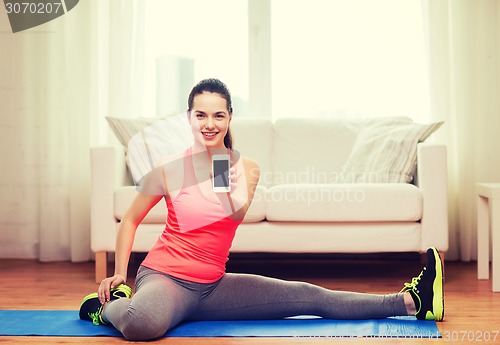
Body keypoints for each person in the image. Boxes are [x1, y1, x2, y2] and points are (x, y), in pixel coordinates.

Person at [79, 78, 444, 341]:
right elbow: (130, 219)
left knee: (309, 296)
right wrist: (120, 274)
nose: (209, 124)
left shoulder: (245, 168)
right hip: (165, 279)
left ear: (230, 118)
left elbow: (230, 213)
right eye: (201, 115)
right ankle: (105, 307)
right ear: (188, 118)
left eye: (218, 116)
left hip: (213, 287)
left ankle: (412, 301)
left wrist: (218, 162)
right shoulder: (167, 168)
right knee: (142, 325)